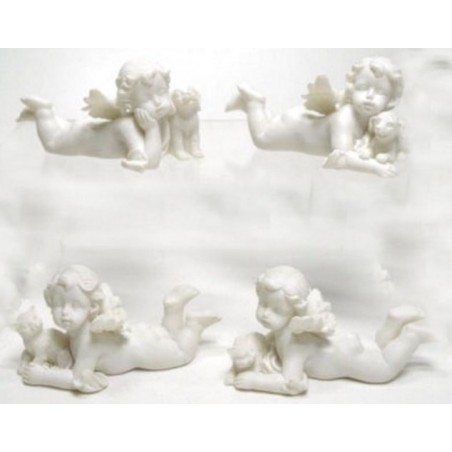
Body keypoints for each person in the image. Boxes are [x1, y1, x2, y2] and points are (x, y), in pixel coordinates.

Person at [230, 266, 430, 395]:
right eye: (262, 304)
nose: (265, 314)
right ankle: (393, 322)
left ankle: (412, 336)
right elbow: (265, 346)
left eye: (277, 310)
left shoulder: (293, 345)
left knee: (385, 369)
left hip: (348, 358)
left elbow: (292, 383)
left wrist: (256, 382)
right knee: (379, 351)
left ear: (296, 310)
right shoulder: (285, 333)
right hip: (344, 349)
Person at [21, 265, 220, 393]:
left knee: (181, 353)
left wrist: (43, 377)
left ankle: (194, 325)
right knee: (168, 335)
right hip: (139, 338)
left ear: (92, 307)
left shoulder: (88, 343)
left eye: (75, 305)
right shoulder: (79, 333)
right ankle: (173, 309)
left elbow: (79, 379)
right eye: (58, 304)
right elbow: (59, 349)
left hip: (147, 350)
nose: (65, 312)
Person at [226, 57, 403, 177]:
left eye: (380, 92)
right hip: (296, 128)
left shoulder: (375, 120)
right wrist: (375, 168)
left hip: (304, 122)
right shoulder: (345, 118)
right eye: (363, 87)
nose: (370, 96)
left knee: (271, 127)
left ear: (391, 99)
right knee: (262, 139)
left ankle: (254, 109)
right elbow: (342, 157)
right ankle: (254, 103)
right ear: (352, 89)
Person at [20, 58, 175, 172]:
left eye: (161, 92)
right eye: (147, 98)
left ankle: (51, 118)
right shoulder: (129, 127)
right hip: (77, 137)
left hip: (87, 128)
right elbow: (150, 162)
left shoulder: (155, 118)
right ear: (130, 103)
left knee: (65, 126)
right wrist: (152, 130)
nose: (158, 102)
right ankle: (44, 111)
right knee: (52, 143)